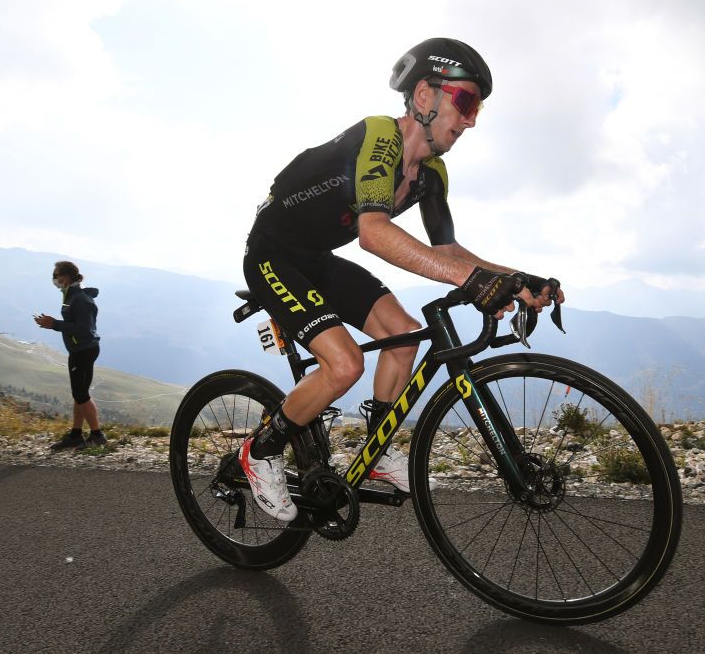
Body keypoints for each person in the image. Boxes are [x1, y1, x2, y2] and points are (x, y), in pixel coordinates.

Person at [237, 37, 565, 521]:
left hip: (318, 259)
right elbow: (373, 233)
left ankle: (376, 453)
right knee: (345, 365)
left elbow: (447, 252)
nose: (472, 119)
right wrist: (472, 281)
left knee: (404, 336)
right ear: (426, 96)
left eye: (478, 109)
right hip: (272, 255)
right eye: (467, 101)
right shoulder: (379, 136)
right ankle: (260, 450)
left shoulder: (432, 173)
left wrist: (513, 277)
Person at [34, 261, 106, 451]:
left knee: (81, 394)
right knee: (79, 393)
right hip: (81, 349)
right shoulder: (72, 295)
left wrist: (54, 324)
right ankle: (76, 434)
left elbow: (83, 329)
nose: (54, 280)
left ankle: (97, 435)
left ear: (65, 277)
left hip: (83, 350)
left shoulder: (79, 299)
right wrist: (53, 323)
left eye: (56, 275)